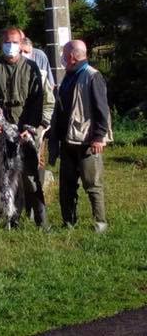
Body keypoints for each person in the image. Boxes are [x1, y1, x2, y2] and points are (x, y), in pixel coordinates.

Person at [0, 27, 48, 227]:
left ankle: (41, 219)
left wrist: (30, 127)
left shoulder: (31, 67)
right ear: (1, 43)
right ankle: (5, 217)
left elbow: (37, 100)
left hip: (23, 129)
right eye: (7, 42)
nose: (10, 46)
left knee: (29, 177)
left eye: (15, 42)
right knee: (0, 176)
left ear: (21, 44)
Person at [53, 40, 112, 233]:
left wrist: (99, 137)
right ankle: (68, 222)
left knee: (92, 184)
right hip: (68, 139)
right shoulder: (69, 76)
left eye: (64, 54)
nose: (62, 57)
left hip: (87, 140)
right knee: (67, 186)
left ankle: (100, 224)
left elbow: (102, 110)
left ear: (72, 56)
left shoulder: (92, 76)